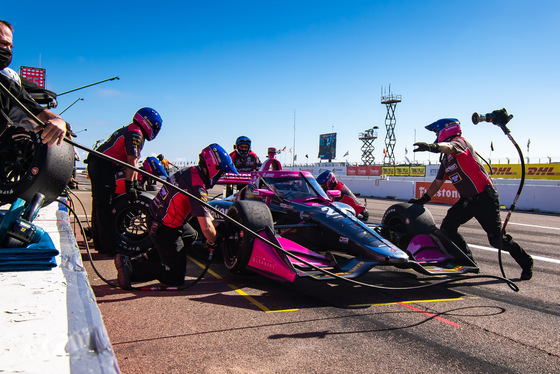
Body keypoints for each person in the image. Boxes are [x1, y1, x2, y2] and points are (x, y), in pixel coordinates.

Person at [411, 117, 533, 280]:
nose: (435, 135)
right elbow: (438, 182)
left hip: (485, 198)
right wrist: (423, 199)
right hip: (468, 200)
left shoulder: (460, 142)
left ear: (445, 130)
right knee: (448, 227)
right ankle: (467, 262)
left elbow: (449, 147)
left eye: (436, 131)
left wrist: (432, 147)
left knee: (496, 240)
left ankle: (527, 262)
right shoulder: (446, 160)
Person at [114, 144, 238, 289]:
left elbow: (204, 214)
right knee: (175, 277)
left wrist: (215, 226)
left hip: (158, 216)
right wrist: (214, 239)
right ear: (212, 167)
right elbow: (206, 229)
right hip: (164, 227)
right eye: (221, 172)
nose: (220, 176)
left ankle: (148, 256)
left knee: (191, 236)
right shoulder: (197, 187)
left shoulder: (190, 172)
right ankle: (131, 267)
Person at [87, 107, 162, 255]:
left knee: (100, 204)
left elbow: (132, 163)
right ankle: (107, 246)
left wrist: (133, 185)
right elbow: (132, 163)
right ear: (147, 123)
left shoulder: (132, 129)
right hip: (102, 164)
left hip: (100, 163)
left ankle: (101, 243)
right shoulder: (135, 133)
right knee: (105, 205)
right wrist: (130, 186)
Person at [0, 20, 67, 146]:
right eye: (3, 44)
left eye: (11, 47)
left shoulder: (6, 84)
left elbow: (37, 112)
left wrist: (57, 121)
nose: (8, 51)